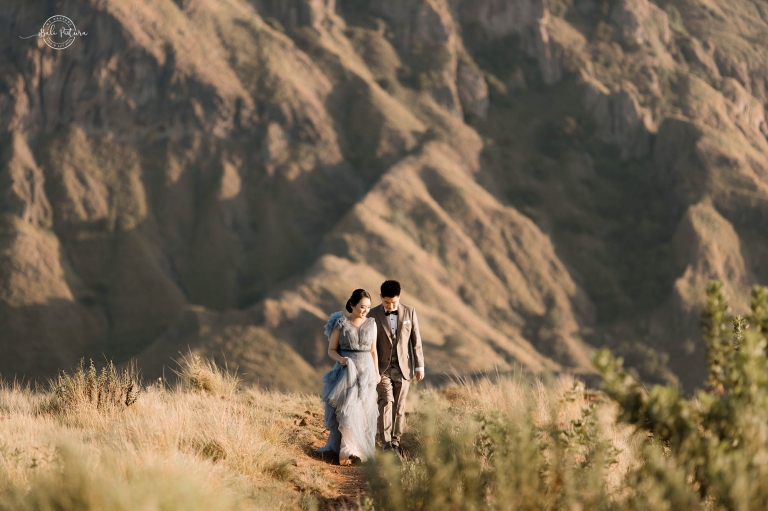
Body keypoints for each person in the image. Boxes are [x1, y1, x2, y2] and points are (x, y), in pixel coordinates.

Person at [316, 289, 381, 465]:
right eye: (362, 307)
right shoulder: (340, 323)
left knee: (364, 411)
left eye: (368, 307)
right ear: (352, 305)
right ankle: (346, 451)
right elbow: (331, 350)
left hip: (366, 371)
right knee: (347, 410)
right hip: (346, 371)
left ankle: (360, 449)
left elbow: (374, 351)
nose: (365, 310)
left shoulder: (372, 323)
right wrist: (342, 359)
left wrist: (376, 372)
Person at [370, 280, 425, 455]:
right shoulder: (372, 315)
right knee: (386, 402)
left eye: (394, 302)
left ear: (399, 297)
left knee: (399, 407)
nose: (390, 305)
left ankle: (395, 440)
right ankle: (385, 443)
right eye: (386, 302)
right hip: (382, 368)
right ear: (381, 298)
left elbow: (416, 341)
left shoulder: (410, 311)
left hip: (404, 368)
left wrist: (419, 366)